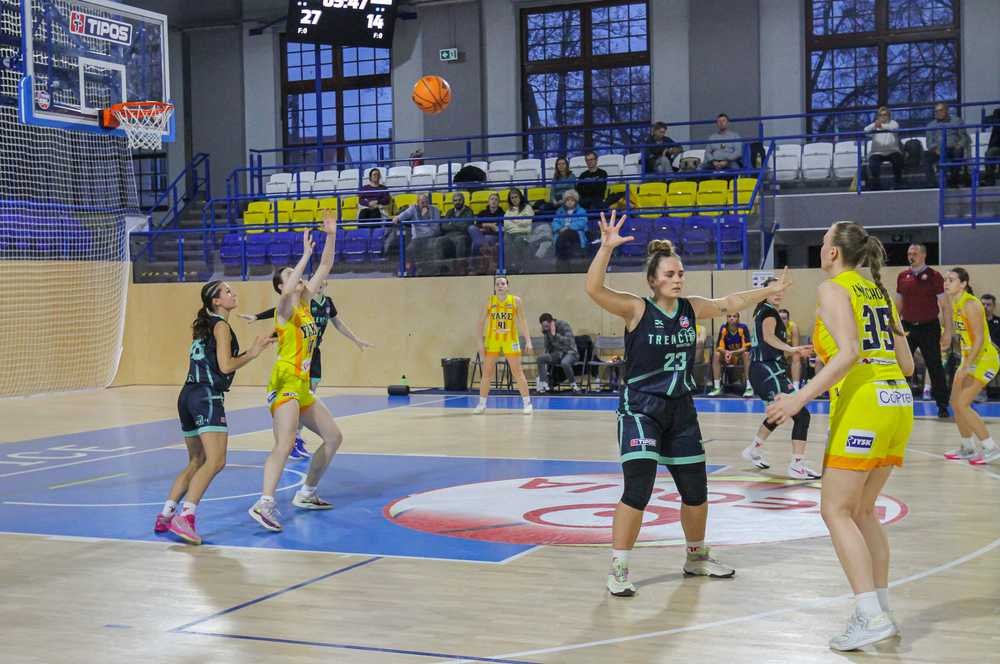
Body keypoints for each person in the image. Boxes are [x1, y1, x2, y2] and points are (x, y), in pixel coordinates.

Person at [587, 210, 793, 597]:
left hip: (680, 409)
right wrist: (606, 248)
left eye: (680, 273)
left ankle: (696, 558)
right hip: (641, 408)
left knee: (696, 491)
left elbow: (731, 301)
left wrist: (767, 291)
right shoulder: (636, 309)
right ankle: (619, 567)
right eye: (670, 274)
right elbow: (594, 289)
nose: (677, 279)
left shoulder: (691, 308)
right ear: (653, 280)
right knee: (638, 489)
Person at [767, 221, 914, 651]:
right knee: (863, 512)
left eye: (824, 240)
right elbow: (907, 365)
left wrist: (798, 398)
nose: (821, 247)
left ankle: (870, 615)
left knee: (835, 510)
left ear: (833, 252)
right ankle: (880, 610)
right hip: (898, 402)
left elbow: (849, 353)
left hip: (865, 404)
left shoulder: (833, 289)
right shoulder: (879, 292)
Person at [155, 281, 273, 544]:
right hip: (206, 396)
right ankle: (186, 518)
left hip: (187, 395)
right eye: (227, 291)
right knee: (216, 461)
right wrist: (253, 353)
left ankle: (165, 515)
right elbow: (226, 366)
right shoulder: (221, 326)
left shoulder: (205, 325)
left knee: (196, 461)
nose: (234, 293)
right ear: (216, 301)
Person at [249, 212, 343, 532]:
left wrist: (331, 235)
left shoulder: (306, 302)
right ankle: (264, 503)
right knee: (285, 443)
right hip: (284, 381)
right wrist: (303, 256)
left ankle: (307, 492)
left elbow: (326, 265)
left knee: (333, 437)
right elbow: (290, 287)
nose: (299, 276)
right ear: (281, 286)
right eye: (290, 275)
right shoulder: (285, 309)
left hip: (301, 384)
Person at [243, 280, 373, 459]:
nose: (319, 284)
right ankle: (291, 437)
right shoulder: (306, 301)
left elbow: (338, 323)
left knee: (310, 391)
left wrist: (356, 339)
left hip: (313, 352)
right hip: (298, 352)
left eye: (322, 283)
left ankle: (295, 434)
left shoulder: (328, 303)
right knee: (296, 397)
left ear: (326, 285)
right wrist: (258, 317)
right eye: (316, 282)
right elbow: (280, 311)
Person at [743, 277, 819, 479]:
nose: (778, 293)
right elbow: (768, 337)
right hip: (767, 369)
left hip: (766, 369)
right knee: (801, 415)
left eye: (780, 289)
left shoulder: (762, 310)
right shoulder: (768, 312)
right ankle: (797, 465)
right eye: (773, 289)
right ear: (765, 292)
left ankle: (754, 448)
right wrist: (792, 349)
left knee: (780, 413)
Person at [941, 268, 1000, 464]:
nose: (946, 283)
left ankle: (990, 447)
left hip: (984, 359)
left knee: (963, 403)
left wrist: (967, 365)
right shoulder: (955, 302)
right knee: (954, 402)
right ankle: (967, 447)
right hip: (970, 358)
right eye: (945, 279)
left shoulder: (971, 304)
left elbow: (980, 339)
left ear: (963, 283)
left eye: (951, 280)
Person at [895, 243, 950, 417]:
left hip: (929, 327)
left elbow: (945, 305)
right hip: (907, 327)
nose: (911, 256)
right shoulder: (902, 276)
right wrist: (893, 327)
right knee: (902, 365)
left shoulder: (935, 276)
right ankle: (900, 403)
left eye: (915, 253)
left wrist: (948, 332)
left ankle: (942, 405)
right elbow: (898, 304)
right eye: (909, 253)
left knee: (934, 366)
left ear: (923, 255)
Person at [474, 275, 534, 414]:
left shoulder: (516, 301)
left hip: (510, 340)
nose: (500, 286)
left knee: (517, 372)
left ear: (507, 286)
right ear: (495, 287)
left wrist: (528, 341)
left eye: (502, 283)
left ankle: (527, 404)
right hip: (493, 340)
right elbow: (480, 323)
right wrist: (479, 343)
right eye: (497, 284)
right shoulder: (489, 301)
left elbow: (523, 321)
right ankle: (481, 404)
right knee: (487, 372)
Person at [389, 193, 442, 276]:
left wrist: (426, 217)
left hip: (431, 237)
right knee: (409, 250)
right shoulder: (413, 208)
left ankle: (433, 271)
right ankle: (409, 271)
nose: (425, 205)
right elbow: (404, 215)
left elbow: (435, 229)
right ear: (417, 203)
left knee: (433, 248)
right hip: (417, 239)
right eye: (422, 203)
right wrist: (397, 218)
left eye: (426, 202)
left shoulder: (435, 210)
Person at [925, 103, 971, 187]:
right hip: (938, 150)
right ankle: (931, 184)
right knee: (926, 156)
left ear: (947, 110)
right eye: (936, 111)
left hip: (953, 148)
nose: (938, 113)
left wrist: (959, 145)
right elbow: (929, 142)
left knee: (958, 153)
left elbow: (965, 138)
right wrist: (935, 149)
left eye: (940, 110)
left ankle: (953, 181)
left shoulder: (957, 121)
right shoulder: (930, 125)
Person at [708, 312, 754, 397]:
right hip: (727, 356)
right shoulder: (723, 328)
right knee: (716, 355)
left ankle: (749, 387)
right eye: (729, 316)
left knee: (747, 354)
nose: (731, 318)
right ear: (727, 318)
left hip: (740, 356)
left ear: (738, 318)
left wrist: (732, 352)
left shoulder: (743, 328)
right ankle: (716, 387)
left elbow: (747, 347)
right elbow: (719, 347)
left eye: (734, 316)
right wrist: (726, 353)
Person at [536, 313, 579, 393]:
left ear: (551, 322)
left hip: (570, 352)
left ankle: (573, 385)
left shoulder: (564, 325)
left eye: (547, 326)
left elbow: (568, 341)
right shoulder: (547, 330)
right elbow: (547, 347)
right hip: (558, 354)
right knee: (540, 359)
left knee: (565, 362)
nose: (546, 328)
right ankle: (544, 384)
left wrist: (555, 335)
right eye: (543, 326)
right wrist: (546, 334)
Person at [864, 107, 904, 190]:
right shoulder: (874, 125)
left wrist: (881, 126)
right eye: (880, 115)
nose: (883, 117)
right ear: (878, 116)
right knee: (873, 162)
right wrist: (874, 125)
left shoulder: (893, 123)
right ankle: (876, 185)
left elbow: (894, 128)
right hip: (877, 152)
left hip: (892, 151)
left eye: (885, 115)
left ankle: (898, 183)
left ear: (889, 116)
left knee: (897, 159)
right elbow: (865, 131)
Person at [551, 189, 589, 263]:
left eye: (572, 200)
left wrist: (568, 228)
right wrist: (559, 229)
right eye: (567, 200)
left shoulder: (581, 211)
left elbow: (582, 223)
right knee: (558, 238)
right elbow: (555, 222)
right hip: (561, 233)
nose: (570, 202)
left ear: (576, 201)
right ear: (564, 201)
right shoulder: (559, 211)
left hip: (576, 233)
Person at [440, 191, 475, 263]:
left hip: (462, 235)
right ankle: (441, 266)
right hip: (448, 236)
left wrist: (451, 223)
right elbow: (443, 226)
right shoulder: (449, 212)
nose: (457, 202)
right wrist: (458, 224)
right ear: (453, 202)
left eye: (459, 200)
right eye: (455, 200)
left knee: (460, 240)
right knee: (438, 241)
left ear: (463, 200)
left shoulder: (469, 211)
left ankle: (460, 265)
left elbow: (465, 226)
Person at [469, 192, 503, 258]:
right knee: (471, 227)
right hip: (480, 233)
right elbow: (477, 225)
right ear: (488, 201)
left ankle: (474, 263)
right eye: (492, 199)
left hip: (493, 235)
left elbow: (499, 228)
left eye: (496, 199)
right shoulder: (482, 212)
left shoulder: (502, 213)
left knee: (476, 243)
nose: (493, 201)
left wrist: (484, 226)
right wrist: (489, 225)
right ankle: (485, 250)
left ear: (498, 202)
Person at [780, 308, 804, 387]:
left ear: (788, 320)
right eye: (779, 318)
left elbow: (795, 346)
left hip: (789, 349)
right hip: (777, 350)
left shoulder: (793, 327)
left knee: (796, 356)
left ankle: (796, 385)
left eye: (784, 318)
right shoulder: (773, 327)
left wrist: (787, 350)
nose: (781, 321)